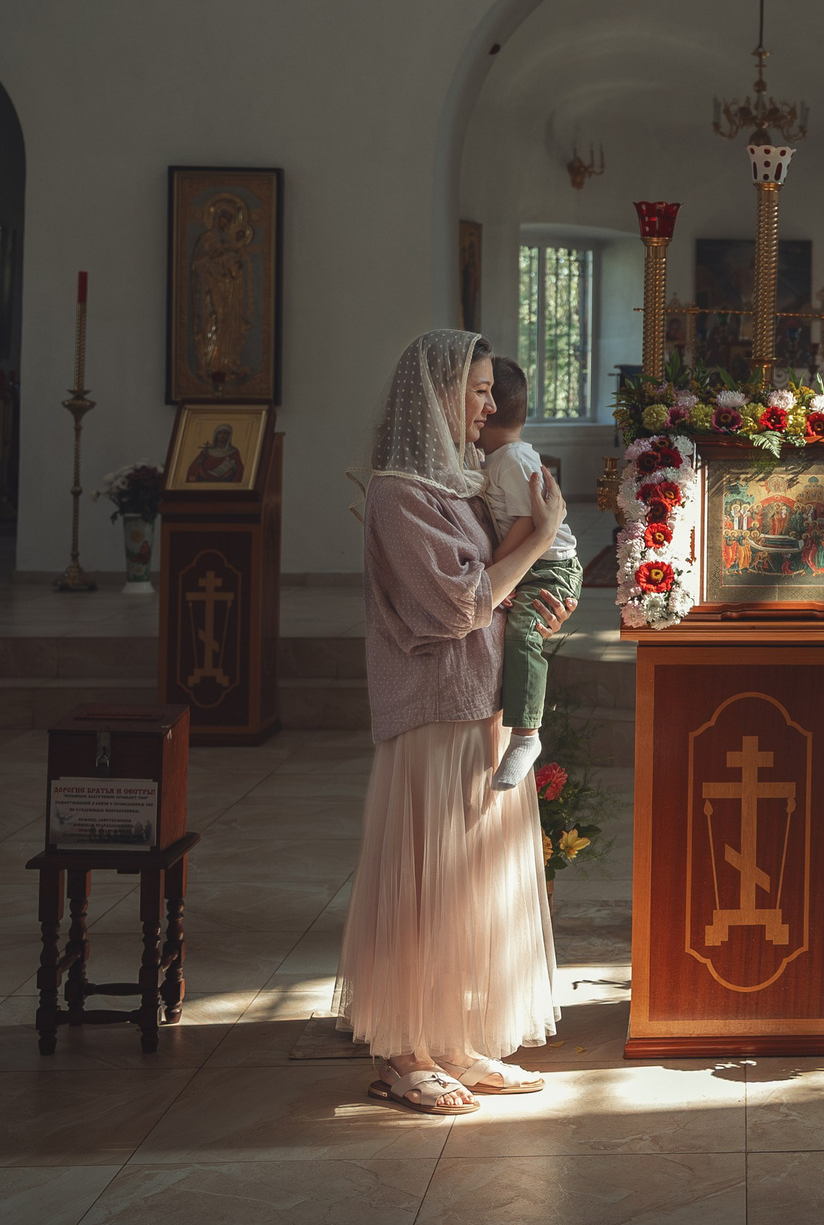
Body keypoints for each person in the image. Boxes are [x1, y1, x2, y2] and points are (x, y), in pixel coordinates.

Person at [333, 329, 570, 1116]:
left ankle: (455, 1039)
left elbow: (499, 598)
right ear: (435, 397)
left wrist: (544, 606)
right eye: (474, 390)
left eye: (489, 391)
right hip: (433, 711)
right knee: (425, 886)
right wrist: (536, 541)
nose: (490, 404)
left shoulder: (461, 484)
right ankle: (404, 1052)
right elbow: (461, 603)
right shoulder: (400, 494)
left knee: (472, 886)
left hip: (482, 707)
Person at [475, 356, 583, 791]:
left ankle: (527, 736)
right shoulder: (496, 456)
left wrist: (496, 569)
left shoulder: (513, 458)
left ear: (490, 410)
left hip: (550, 566)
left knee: (524, 633)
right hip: (531, 563)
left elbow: (528, 522)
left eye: (483, 394)